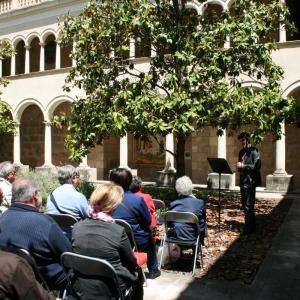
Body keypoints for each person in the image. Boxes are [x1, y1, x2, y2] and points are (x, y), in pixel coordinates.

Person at [71, 182, 143, 299]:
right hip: (109, 287)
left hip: (81, 285)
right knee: (137, 273)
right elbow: (131, 261)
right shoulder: (118, 231)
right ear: (113, 206)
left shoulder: (77, 227)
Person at [0, 178, 72, 291]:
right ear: (35, 195)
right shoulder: (45, 223)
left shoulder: (2, 218)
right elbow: (68, 254)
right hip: (48, 282)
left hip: (14, 278)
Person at [110, 168, 161, 280]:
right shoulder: (137, 200)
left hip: (112, 238)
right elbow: (148, 220)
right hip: (135, 241)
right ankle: (153, 271)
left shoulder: (107, 199)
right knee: (149, 238)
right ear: (129, 182)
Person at [237, 131, 261, 235]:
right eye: (241, 140)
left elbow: (257, 166)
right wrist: (239, 167)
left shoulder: (254, 151)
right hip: (243, 181)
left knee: (249, 205)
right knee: (245, 205)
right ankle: (251, 226)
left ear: (248, 140)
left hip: (251, 182)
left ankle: (248, 229)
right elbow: (240, 167)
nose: (242, 142)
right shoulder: (241, 152)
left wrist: (244, 166)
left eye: (243, 140)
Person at [170, 176, 206, 245]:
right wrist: (201, 239)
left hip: (175, 236)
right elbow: (202, 224)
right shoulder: (199, 203)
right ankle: (196, 250)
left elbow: (170, 224)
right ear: (191, 187)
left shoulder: (173, 204)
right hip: (193, 237)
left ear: (177, 189)